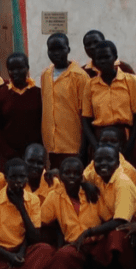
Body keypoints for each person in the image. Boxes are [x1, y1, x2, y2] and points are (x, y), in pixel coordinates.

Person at [45, 144, 136, 269]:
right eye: (99, 160)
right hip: (78, 243)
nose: (103, 164)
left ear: (118, 162)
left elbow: (119, 221)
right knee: (63, 256)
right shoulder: (96, 177)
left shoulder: (121, 183)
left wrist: (88, 233)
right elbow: (76, 173)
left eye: (109, 160)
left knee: (116, 237)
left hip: (134, 226)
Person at [0, 158, 56, 269]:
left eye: (22, 177)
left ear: (27, 178)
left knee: (45, 249)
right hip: (0, 254)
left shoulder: (33, 200)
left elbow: (34, 237)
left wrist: (21, 207)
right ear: (6, 178)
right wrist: (8, 256)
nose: (18, 181)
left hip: (21, 250)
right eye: (13, 177)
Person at [81, 40, 136, 170]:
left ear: (115, 57)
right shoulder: (90, 85)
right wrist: (95, 145)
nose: (102, 61)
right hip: (100, 138)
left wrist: (130, 144)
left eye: (107, 57)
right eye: (99, 58)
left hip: (125, 137)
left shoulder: (130, 81)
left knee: (128, 174)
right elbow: (86, 120)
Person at [40, 33, 91, 168]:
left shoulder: (80, 76)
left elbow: (85, 114)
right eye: (52, 50)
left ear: (68, 50)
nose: (56, 53)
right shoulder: (45, 75)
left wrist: (83, 149)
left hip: (72, 147)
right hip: (51, 147)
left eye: (60, 49)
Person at [0, 52, 43, 169]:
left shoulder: (38, 94)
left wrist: (37, 149)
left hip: (33, 155)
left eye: (20, 68)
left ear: (27, 68)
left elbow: (43, 124)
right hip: (8, 156)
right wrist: (8, 152)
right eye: (11, 69)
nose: (15, 73)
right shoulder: (0, 95)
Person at [40, 157, 101, 254]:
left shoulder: (92, 192)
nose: (71, 176)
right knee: (62, 255)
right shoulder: (54, 195)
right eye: (67, 173)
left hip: (97, 243)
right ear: (60, 176)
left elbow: (107, 216)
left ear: (81, 177)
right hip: (74, 246)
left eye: (76, 174)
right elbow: (41, 220)